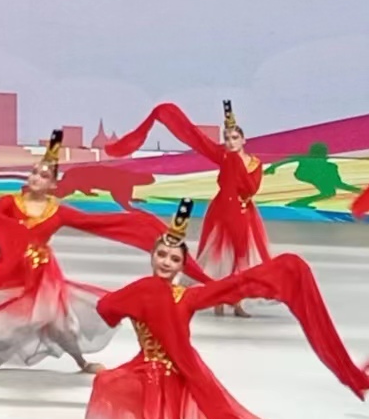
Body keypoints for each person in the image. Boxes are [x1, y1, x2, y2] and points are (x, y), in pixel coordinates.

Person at [79, 199, 369, 419]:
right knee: (108, 383)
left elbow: (233, 286)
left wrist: (281, 272)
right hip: (147, 371)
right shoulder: (139, 291)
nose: (166, 262)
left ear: (182, 266)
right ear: (152, 256)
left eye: (174, 259)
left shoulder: (185, 296)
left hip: (180, 375)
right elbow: (107, 307)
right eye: (162, 255)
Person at [0, 132, 212, 373]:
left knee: (58, 321)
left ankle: (80, 361)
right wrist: (17, 236)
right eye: (34, 173)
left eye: (43, 176)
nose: (36, 178)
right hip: (12, 268)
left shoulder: (57, 211)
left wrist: (137, 222)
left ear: (53, 184)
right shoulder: (10, 203)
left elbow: (95, 222)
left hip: (42, 275)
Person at [106, 100, 268, 316]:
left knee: (240, 257)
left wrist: (237, 166)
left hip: (242, 212)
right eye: (227, 138)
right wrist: (170, 117)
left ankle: (237, 302)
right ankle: (218, 299)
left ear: (243, 139)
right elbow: (198, 140)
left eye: (234, 138)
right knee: (218, 257)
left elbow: (251, 188)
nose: (230, 142)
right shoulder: (224, 157)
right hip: (222, 211)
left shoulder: (254, 163)